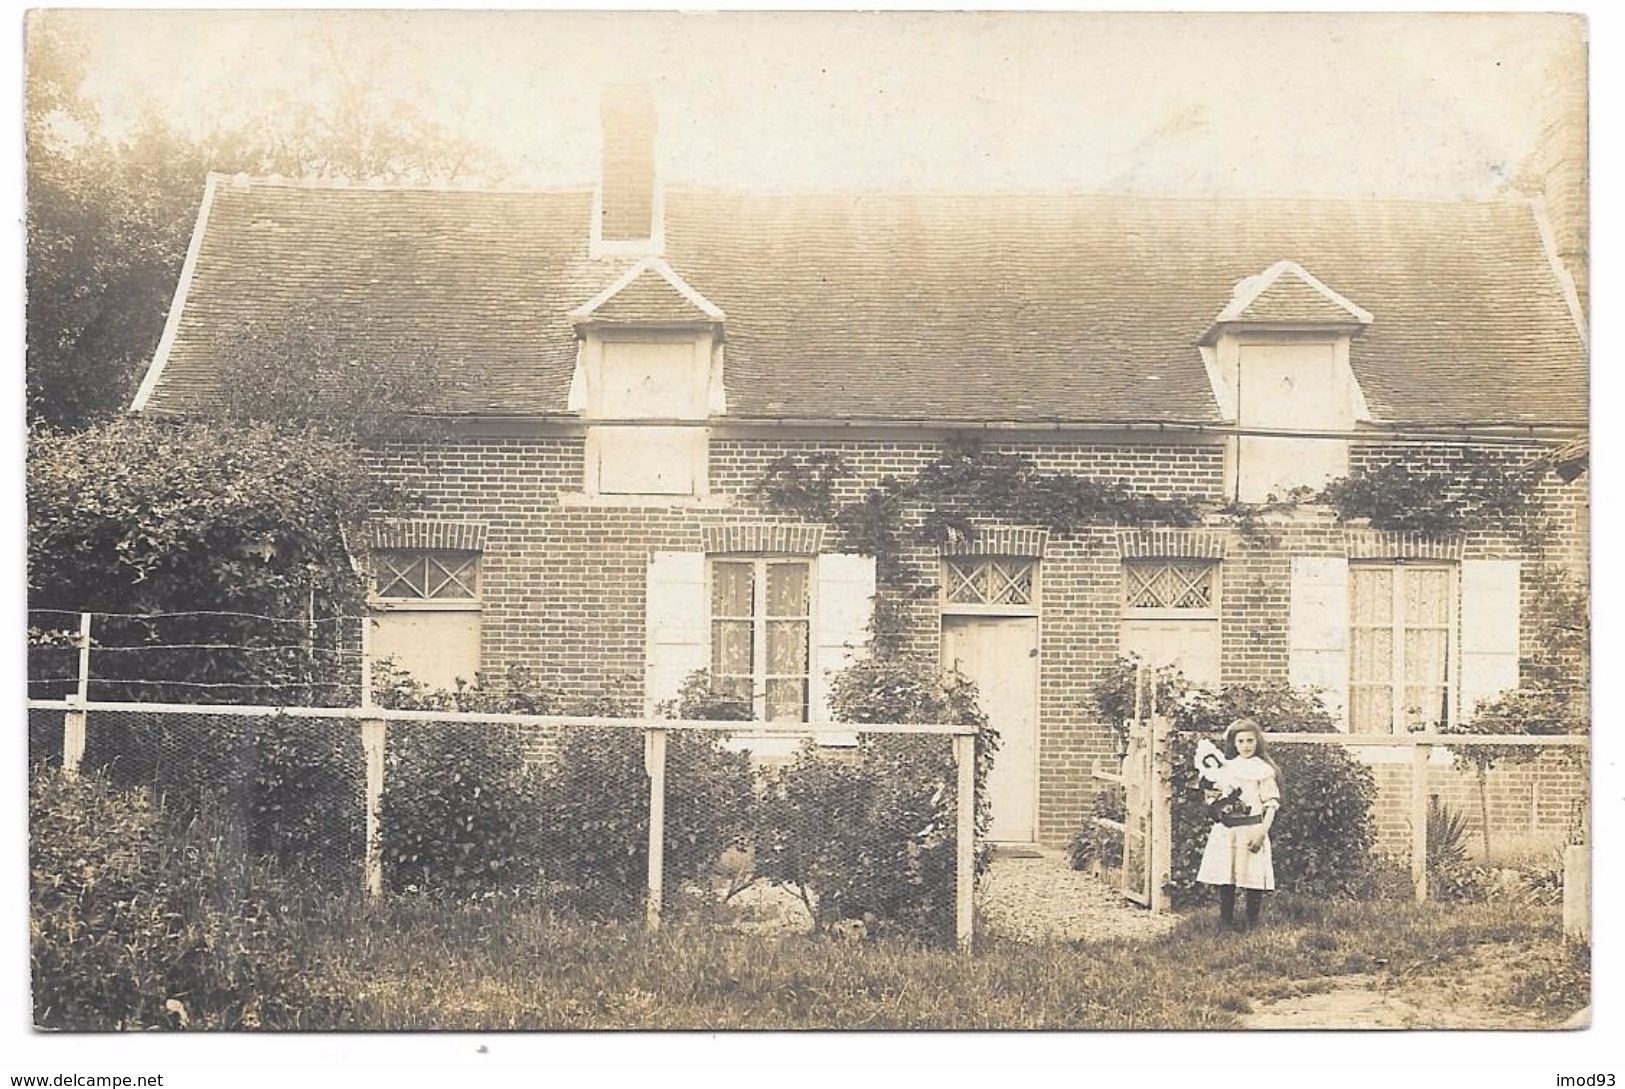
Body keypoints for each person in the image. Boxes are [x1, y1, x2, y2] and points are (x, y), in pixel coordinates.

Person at [1195, 718, 1282, 930]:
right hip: (1228, 830)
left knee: (1253, 876)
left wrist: (1262, 831)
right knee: (1228, 874)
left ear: (1257, 742)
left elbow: (1271, 803)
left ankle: (1252, 922)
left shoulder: (1263, 770)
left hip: (1252, 828)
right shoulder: (1225, 767)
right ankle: (1226, 921)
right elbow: (1214, 796)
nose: (1245, 745)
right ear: (1234, 743)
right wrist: (1214, 804)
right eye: (1241, 741)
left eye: (1250, 740)